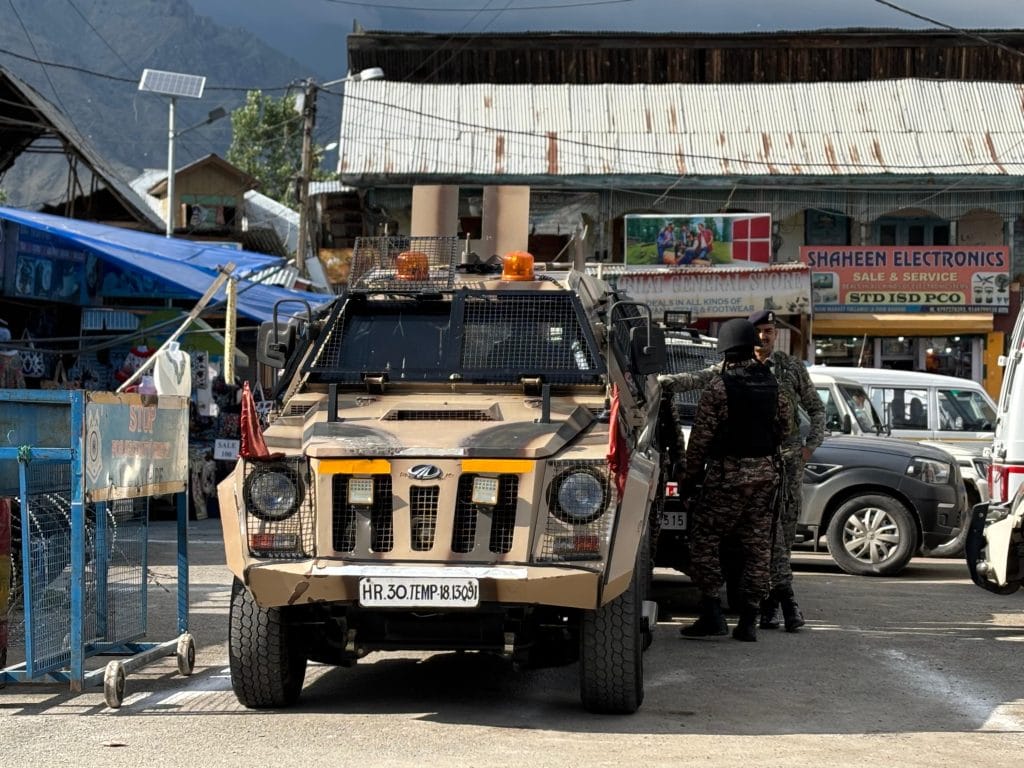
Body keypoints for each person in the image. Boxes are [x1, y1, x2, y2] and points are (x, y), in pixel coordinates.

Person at [674, 319, 791, 642]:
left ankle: (712, 612)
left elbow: (699, 442)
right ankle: (749, 620)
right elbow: (786, 429)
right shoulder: (772, 384)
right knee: (758, 548)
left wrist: (689, 480)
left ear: (724, 350)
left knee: (704, 539)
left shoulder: (718, 387)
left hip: (728, 477)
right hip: (765, 477)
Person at [748, 309, 825, 632]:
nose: (764, 336)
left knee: (783, 535)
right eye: (759, 331)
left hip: (789, 466)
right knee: (763, 536)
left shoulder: (791, 368)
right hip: (755, 463)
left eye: (769, 331)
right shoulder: (739, 367)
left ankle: (773, 607)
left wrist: (810, 447)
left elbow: (816, 408)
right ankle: (775, 605)